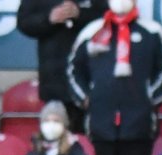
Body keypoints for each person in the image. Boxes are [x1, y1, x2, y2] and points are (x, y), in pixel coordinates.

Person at [67, 1, 162, 155]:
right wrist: (85, 98)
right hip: (101, 125)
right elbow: (74, 70)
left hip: (138, 125)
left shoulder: (152, 31)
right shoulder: (92, 31)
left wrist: (148, 99)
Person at [16, 0, 105, 131]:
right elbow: (24, 22)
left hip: (89, 77)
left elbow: (108, 18)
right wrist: (49, 18)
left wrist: (79, 14)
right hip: (54, 79)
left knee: (92, 138)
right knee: (58, 136)